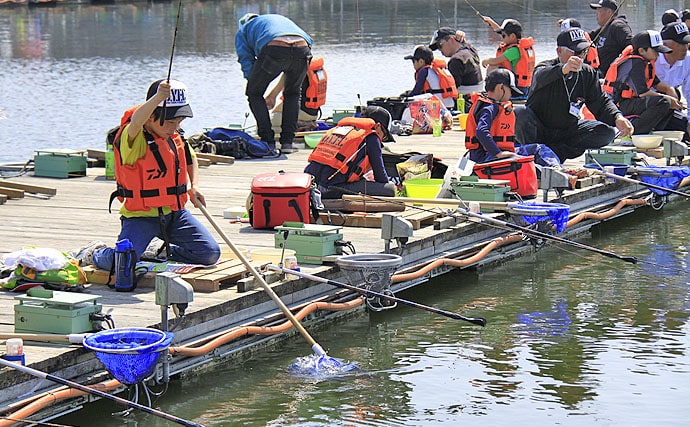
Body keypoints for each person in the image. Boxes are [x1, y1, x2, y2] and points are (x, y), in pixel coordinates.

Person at [71, 79, 221, 271]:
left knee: (209, 254)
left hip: (175, 215)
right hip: (141, 217)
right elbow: (135, 122)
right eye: (170, 122)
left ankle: (158, 250)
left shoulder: (175, 136)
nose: (174, 127)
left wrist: (195, 186)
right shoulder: (133, 139)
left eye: (179, 121)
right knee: (124, 263)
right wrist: (159, 97)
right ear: (150, 116)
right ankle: (96, 253)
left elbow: (190, 159)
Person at [514, 28, 634, 162]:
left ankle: (554, 154)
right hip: (540, 129)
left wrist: (617, 117)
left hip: (567, 130)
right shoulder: (545, 67)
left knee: (607, 133)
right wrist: (564, 69)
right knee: (520, 113)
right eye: (575, 52)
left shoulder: (587, 73)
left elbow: (600, 101)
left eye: (584, 51)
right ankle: (537, 153)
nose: (580, 56)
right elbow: (539, 76)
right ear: (559, 51)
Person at [235, 13, 313, 152]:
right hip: (302, 48)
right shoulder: (276, 20)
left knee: (254, 94)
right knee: (293, 93)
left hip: (274, 48)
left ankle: (268, 142)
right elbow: (306, 42)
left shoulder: (243, 30)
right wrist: (273, 94)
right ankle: (287, 144)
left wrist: (255, 84)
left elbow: (246, 61)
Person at [465, 69, 561, 168]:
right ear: (500, 87)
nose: (511, 95)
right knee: (523, 162)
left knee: (539, 148)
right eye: (510, 91)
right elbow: (481, 131)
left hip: (501, 152)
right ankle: (553, 174)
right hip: (485, 157)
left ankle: (556, 169)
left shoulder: (497, 106)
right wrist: (498, 153)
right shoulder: (488, 108)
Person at [304, 106, 396, 199]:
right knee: (389, 189)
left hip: (308, 186)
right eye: (384, 136)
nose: (381, 140)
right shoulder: (372, 137)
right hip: (329, 190)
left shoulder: (338, 130)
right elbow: (381, 178)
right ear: (378, 126)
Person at [603, 30, 683, 135]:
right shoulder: (636, 63)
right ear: (641, 51)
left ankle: (654, 132)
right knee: (664, 102)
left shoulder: (646, 62)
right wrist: (669, 99)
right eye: (655, 51)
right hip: (619, 104)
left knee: (670, 98)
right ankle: (633, 133)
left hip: (630, 102)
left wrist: (670, 91)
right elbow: (643, 93)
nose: (658, 54)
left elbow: (657, 84)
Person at [265, 56, 327, 133]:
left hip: (301, 112)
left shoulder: (296, 67)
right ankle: (303, 124)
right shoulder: (312, 66)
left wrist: (274, 109)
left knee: (268, 124)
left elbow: (290, 99)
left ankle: (300, 124)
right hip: (313, 113)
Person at [428, 27, 483, 109]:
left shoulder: (456, 60)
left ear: (451, 39)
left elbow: (451, 89)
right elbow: (465, 44)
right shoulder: (471, 51)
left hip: (464, 105)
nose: (440, 50)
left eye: (440, 45)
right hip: (477, 102)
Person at [480, 19, 535, 96]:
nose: (502, 38)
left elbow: (496, 61)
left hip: (517, 89)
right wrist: (491, 22)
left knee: (493, 66)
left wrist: (485, 61)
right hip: (524, 87)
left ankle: (490, 91)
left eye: (503, 36)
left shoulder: (514, 51)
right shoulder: (520, 46)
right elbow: (502, 32)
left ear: (512, 36)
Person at [656, 22, 690, 139]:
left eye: (687, 43)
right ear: (666, 45)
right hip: (645, 107)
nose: (686, 48)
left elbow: (689, 94)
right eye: (682, 44)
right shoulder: (652, 59)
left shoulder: (688, 60)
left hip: (670, 108)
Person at [402, 45, 457, 109]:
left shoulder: (424, 71)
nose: (413, 64)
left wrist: (404, 96)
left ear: (421, 61)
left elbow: (416, 92)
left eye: (413, 61)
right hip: (450, 106)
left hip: (437, 108)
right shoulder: (442, 69)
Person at [589, 0, 632, 77]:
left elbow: (631, 45)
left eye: (599, 10)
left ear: (609, 12)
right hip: (598, 71)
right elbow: (588, 36)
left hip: (608, 76)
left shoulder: (618, 26)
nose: (596, 14)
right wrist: (569, 25)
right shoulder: (605, 27)